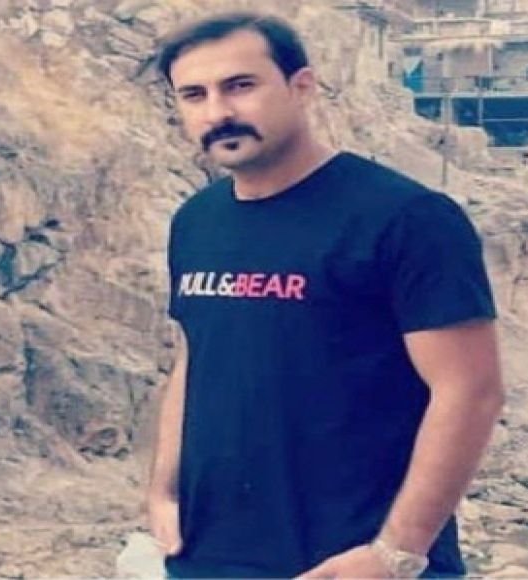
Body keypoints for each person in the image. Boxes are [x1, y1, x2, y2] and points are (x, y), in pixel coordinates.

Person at [147, 12, 504, 579]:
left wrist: (396, 553)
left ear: (302, 86)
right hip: (210, 557)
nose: (217, 112)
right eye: (194, 95)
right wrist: (164, 491)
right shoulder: (196, 221)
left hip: (357, 561)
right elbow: (196, 355)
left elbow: (470, 390)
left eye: (240, 85)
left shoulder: (407, 218)